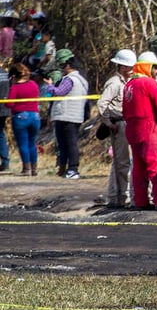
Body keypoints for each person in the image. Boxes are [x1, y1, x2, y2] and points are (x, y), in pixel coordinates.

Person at [122, 53, 157, 209]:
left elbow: (124, 111)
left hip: (132, 130)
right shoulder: (149, 83)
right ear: (147, 67)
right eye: (154, 68)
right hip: (149, 129)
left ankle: (141, 201)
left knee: (139, 168)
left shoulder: (129, 84)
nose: (156, 72)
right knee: (156, 166)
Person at [96, 49, 136, 207]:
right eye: (130, 67)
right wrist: (108, 122)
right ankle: (121, 196)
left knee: (121, 162)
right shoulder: (114, 83)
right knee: (122, 162)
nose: (132, 70)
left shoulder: (125, 83)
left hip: (124, 123)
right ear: (123, 67)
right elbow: (102, 103)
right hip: (118, 124)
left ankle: (116, 196)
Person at [43, 49, 89, 179]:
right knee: (65, 143)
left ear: (67, 65)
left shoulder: (70, 79)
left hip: (67, 115)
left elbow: (58, 92)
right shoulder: (82, 80)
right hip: (74, 115)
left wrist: (50, 86)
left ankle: (72, 169)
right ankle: (63, 169)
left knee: (69, 144)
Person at [7, 62, 39, 175]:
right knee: (32, 143)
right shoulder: (33, 84)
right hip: (35, 116)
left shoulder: (15, 87)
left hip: (21, 117)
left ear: (14, 76)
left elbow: (9, 104)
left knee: (23, 143)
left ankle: (26, 169)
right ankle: (34, 168)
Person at [0, 59, 9, 171]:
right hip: (5, 109)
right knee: (1, 135)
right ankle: (5, 162)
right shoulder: (6, 74)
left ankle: (5, 162)